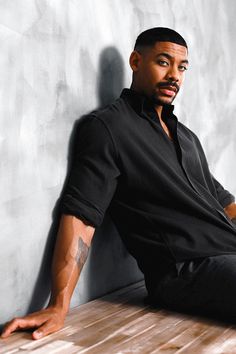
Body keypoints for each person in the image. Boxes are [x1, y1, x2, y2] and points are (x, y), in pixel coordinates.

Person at [2, 27, 236, 340]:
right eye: (163, 62)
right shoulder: (108, 128)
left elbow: (223, 201)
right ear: (136, 61)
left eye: (181, 68)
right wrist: (59, 304)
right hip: (184, 269)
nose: (175, 76)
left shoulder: (187, 137)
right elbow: (82, 216)